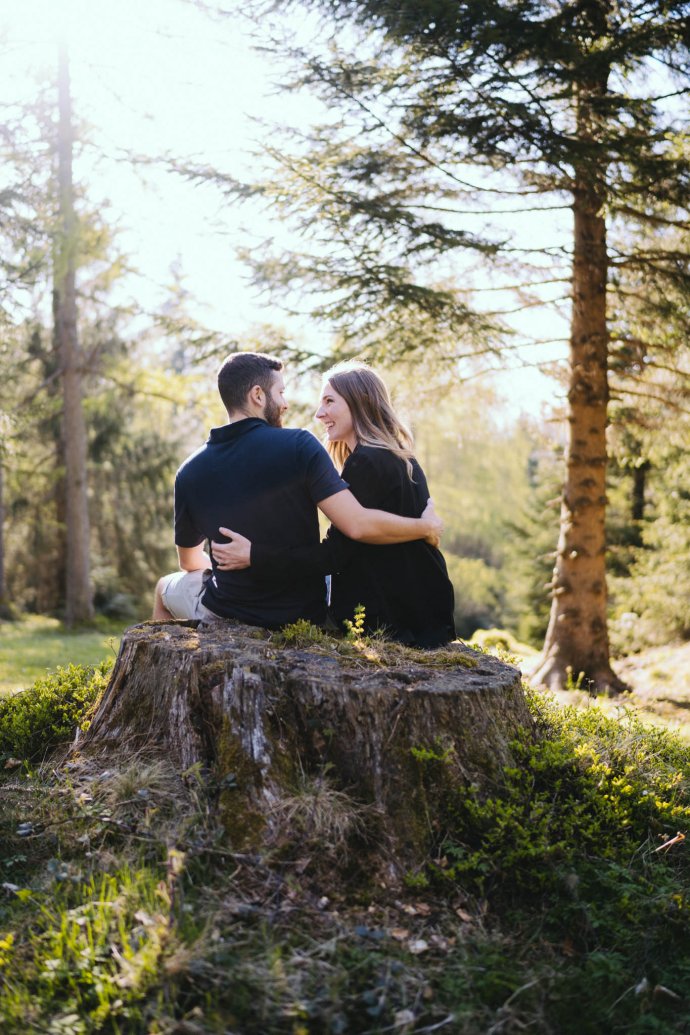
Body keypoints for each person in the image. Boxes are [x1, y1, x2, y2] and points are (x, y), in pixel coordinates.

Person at [153, 352, 443, 629]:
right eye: (280, 393)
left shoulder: (189, 471)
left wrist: (239, 565)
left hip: (229, 608)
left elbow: (189, 562)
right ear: (257, 395)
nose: (286, 404)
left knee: (164, 587)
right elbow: (356, 524)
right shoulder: (301, 445)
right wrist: (425, 526)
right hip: (305, 610)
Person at [212, 361, 456, 647]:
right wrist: (425, 527)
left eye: (329, 401)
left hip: (391, 619)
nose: (319, 413)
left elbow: (334, 555)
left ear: (359, 402)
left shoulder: (366, 461)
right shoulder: (400, 456)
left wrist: (255, 556)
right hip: (428, 609)